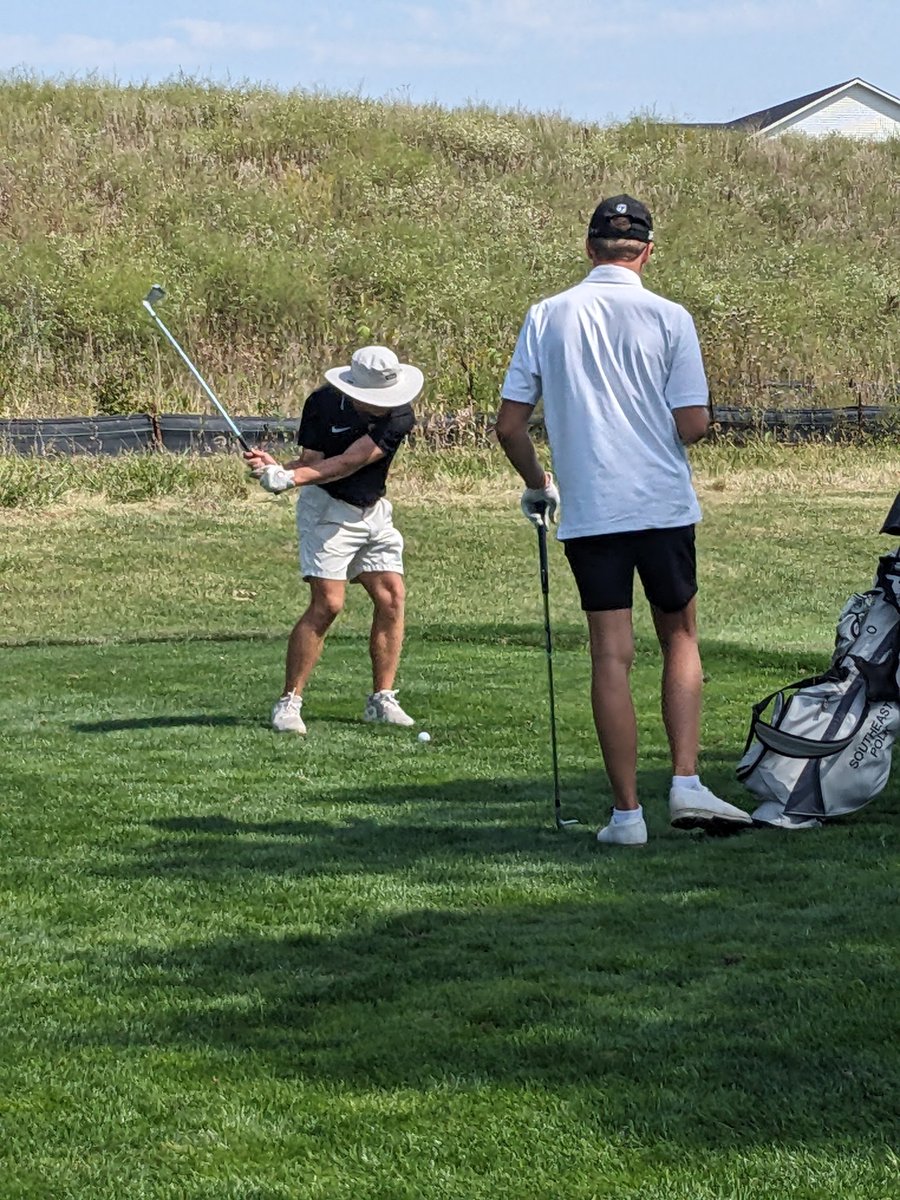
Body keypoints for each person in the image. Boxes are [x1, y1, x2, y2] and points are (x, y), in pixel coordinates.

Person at [495, 195, 751, 846]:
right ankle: (687, 782)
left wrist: (539, 484)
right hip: (661, 505)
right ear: (647, 251)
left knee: (610, 654)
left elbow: (510, 426)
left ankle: (627, 816)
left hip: (591, 511)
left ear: (590, 248)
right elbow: (692, 424)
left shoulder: (547, 314)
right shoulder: (670, 316)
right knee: (680, 637)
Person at [244, 345, 421, 735]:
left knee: (392, 597)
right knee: (328, 604)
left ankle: (382, 699)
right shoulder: (322, 403)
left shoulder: (399, 415)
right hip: (326, 511)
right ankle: (289, 702)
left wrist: (289, 479)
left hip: (373, 510)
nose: (385, 405)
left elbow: (350, 462)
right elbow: (314, 462)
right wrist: (276, 469)